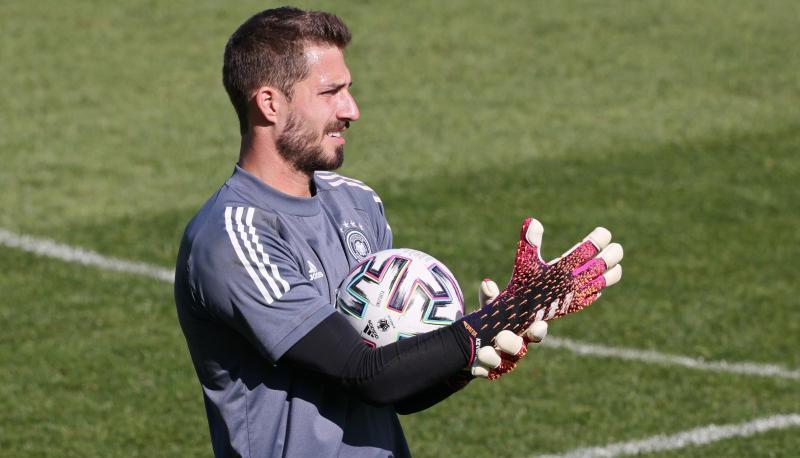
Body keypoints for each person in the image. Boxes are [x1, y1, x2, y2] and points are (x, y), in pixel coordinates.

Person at [174, 7, 622, 458]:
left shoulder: (356, 202)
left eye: (348, 89)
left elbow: (398, 388)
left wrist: (468, 359)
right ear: (270, 103)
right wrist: (501, 315)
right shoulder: (235, 236)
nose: (352, 110)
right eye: (331, 92)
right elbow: (364, 371)